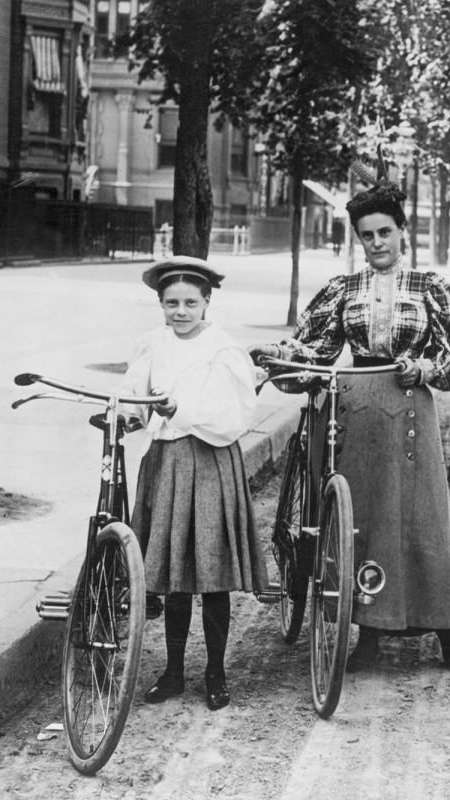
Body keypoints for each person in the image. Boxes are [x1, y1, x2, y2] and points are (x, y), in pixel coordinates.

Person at [250, 183, 450, 680]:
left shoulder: (430, 287)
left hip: (410, 406)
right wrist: (280, 357)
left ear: (403, 233)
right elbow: (316, 349)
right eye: (366, 235)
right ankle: (369, 636)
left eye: (385, 232)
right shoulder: (343, 289)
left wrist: (423, 368)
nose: (376, 242)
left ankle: (449, 639)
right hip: (353, 408)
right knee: (364, 523)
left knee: (424, 521)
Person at [122, 256, 266, 711]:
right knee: (174, 575)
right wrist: (130, 413)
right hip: (165, 464)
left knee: (212, 573)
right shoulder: (153, 344)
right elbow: (135, 393)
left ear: (207, 302)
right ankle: (173, 670)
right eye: (171, 304)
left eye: (189, 302)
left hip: (209, 461)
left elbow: (233, 416)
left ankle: (216, 671)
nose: (180, 312)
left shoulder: (223, 351)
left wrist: (178, 411)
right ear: (160, 306)